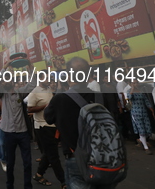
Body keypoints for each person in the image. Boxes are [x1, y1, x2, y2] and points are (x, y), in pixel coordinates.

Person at [44, 57, 118, 189]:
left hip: (76, 158)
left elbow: (48, 118)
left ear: (68, 75)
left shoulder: (59, 99)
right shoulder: (99, 97)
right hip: (104, 157)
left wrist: (60, 88)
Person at [0, 55, 36, 189]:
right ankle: (10, 185)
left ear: (12, 82)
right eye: (3, 81)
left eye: (7, 80)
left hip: (23, 132)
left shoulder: (20, 92)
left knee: (27, 162)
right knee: (10, 162)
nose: (4, 82)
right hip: (8, 133)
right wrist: (5, 67)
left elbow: (32, 84)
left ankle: (28, 186)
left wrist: (30, 68)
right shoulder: (2, 94)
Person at [27, 71, 65, 188]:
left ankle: (39, 174)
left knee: (49, 153)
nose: (50, 80)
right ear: (40, 79)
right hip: (42, 127)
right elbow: (29, 109)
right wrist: (45, 106)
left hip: (52, 125)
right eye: (47, 78)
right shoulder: (34, 93)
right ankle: (64, 181)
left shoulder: (49, 89)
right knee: (53, 156)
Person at [126, 80, 155, 155]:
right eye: (134, 83)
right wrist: (132, 89)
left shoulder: (141, 91)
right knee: (141, 128)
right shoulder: (129, 91)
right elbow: (129, 97)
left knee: (147, 127)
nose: (136, 84)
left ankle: (142, 140)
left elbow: (146, 101)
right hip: (136, 112)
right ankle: (146, 147)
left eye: (137, 82)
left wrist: (152, 110)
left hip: (144, 111)